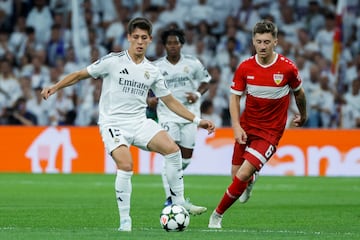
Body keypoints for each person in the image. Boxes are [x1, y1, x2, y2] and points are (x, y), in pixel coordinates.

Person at [40, 17, 215, 232]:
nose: (140, 42)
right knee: (126, 165)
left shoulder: (152, 70)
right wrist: (55, 87)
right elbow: (79, 75)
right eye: (136, 37)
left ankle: (177, 202)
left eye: (144, 38)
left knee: (172, 150)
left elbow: (170, 101)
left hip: (139, 122)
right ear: (128, 38)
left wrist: (198, 120)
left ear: (150, 40)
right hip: (113, 123)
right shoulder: (113, 61)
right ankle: (125, 221)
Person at [208, 20, 307, 229]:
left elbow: (299, 94)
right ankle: (251, 181)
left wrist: (303, 115)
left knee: (242, 174)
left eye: (267, 42)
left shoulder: (287, 68)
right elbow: (234, 98)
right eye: (259, 41)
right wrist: (236, 125)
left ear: (275, 43)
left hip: (270, 132)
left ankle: (216, 216)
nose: (263, 46)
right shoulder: (245, 67)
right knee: (237, 177)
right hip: (247, 127)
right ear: (253, 41)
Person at [151, 28, 211, 206]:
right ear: (164, 46)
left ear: (181, 44)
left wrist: (197, 95)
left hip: (190, 115)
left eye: (175, 43)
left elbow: (206, 81)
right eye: (169, 43)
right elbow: (144, 85)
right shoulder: (156, 67)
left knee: (185, 160)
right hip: (167, 115)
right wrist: (149, 99)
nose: (172, 46)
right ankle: (171, 199)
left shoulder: (193, 63)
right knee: (171, 155)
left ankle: (174, 184)